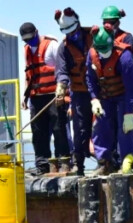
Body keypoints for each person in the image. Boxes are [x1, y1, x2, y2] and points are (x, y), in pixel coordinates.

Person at [86, 26, 133, 175]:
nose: (103, 52)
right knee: (101, 126)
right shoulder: (92, 54)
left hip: (123, 95)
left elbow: (131, 88)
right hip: (105, 97)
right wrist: (94, 99)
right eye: (100, 49)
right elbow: (90, 79)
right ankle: (104, 163)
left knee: (125, 129)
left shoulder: (125, 57)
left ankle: (127, 162)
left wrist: (129, 113)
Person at [20, 22, 71, 176]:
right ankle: (42, 166)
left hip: (54, 95)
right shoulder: (26, 50)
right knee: (38, 132)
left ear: (37, 32)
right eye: (26, 40)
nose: (30, 42)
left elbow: (63, 68)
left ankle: (64, 162)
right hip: (36, 96)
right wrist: (25, 95)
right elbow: (29, 74)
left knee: (59, 129)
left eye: (31, 38)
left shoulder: (52, 45)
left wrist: (62, 92)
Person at [54, 7, 93, 176]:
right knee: (79, 129)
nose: (72, 35)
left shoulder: (94, 36)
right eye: (68, 33)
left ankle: (111, 161)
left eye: (74, 31)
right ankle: (79, 164)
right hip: (79, 92)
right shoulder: (63, 48)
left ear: (78, 24)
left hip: (101, 91)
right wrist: (61, 87)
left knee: (106, 125)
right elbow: (62, 70)